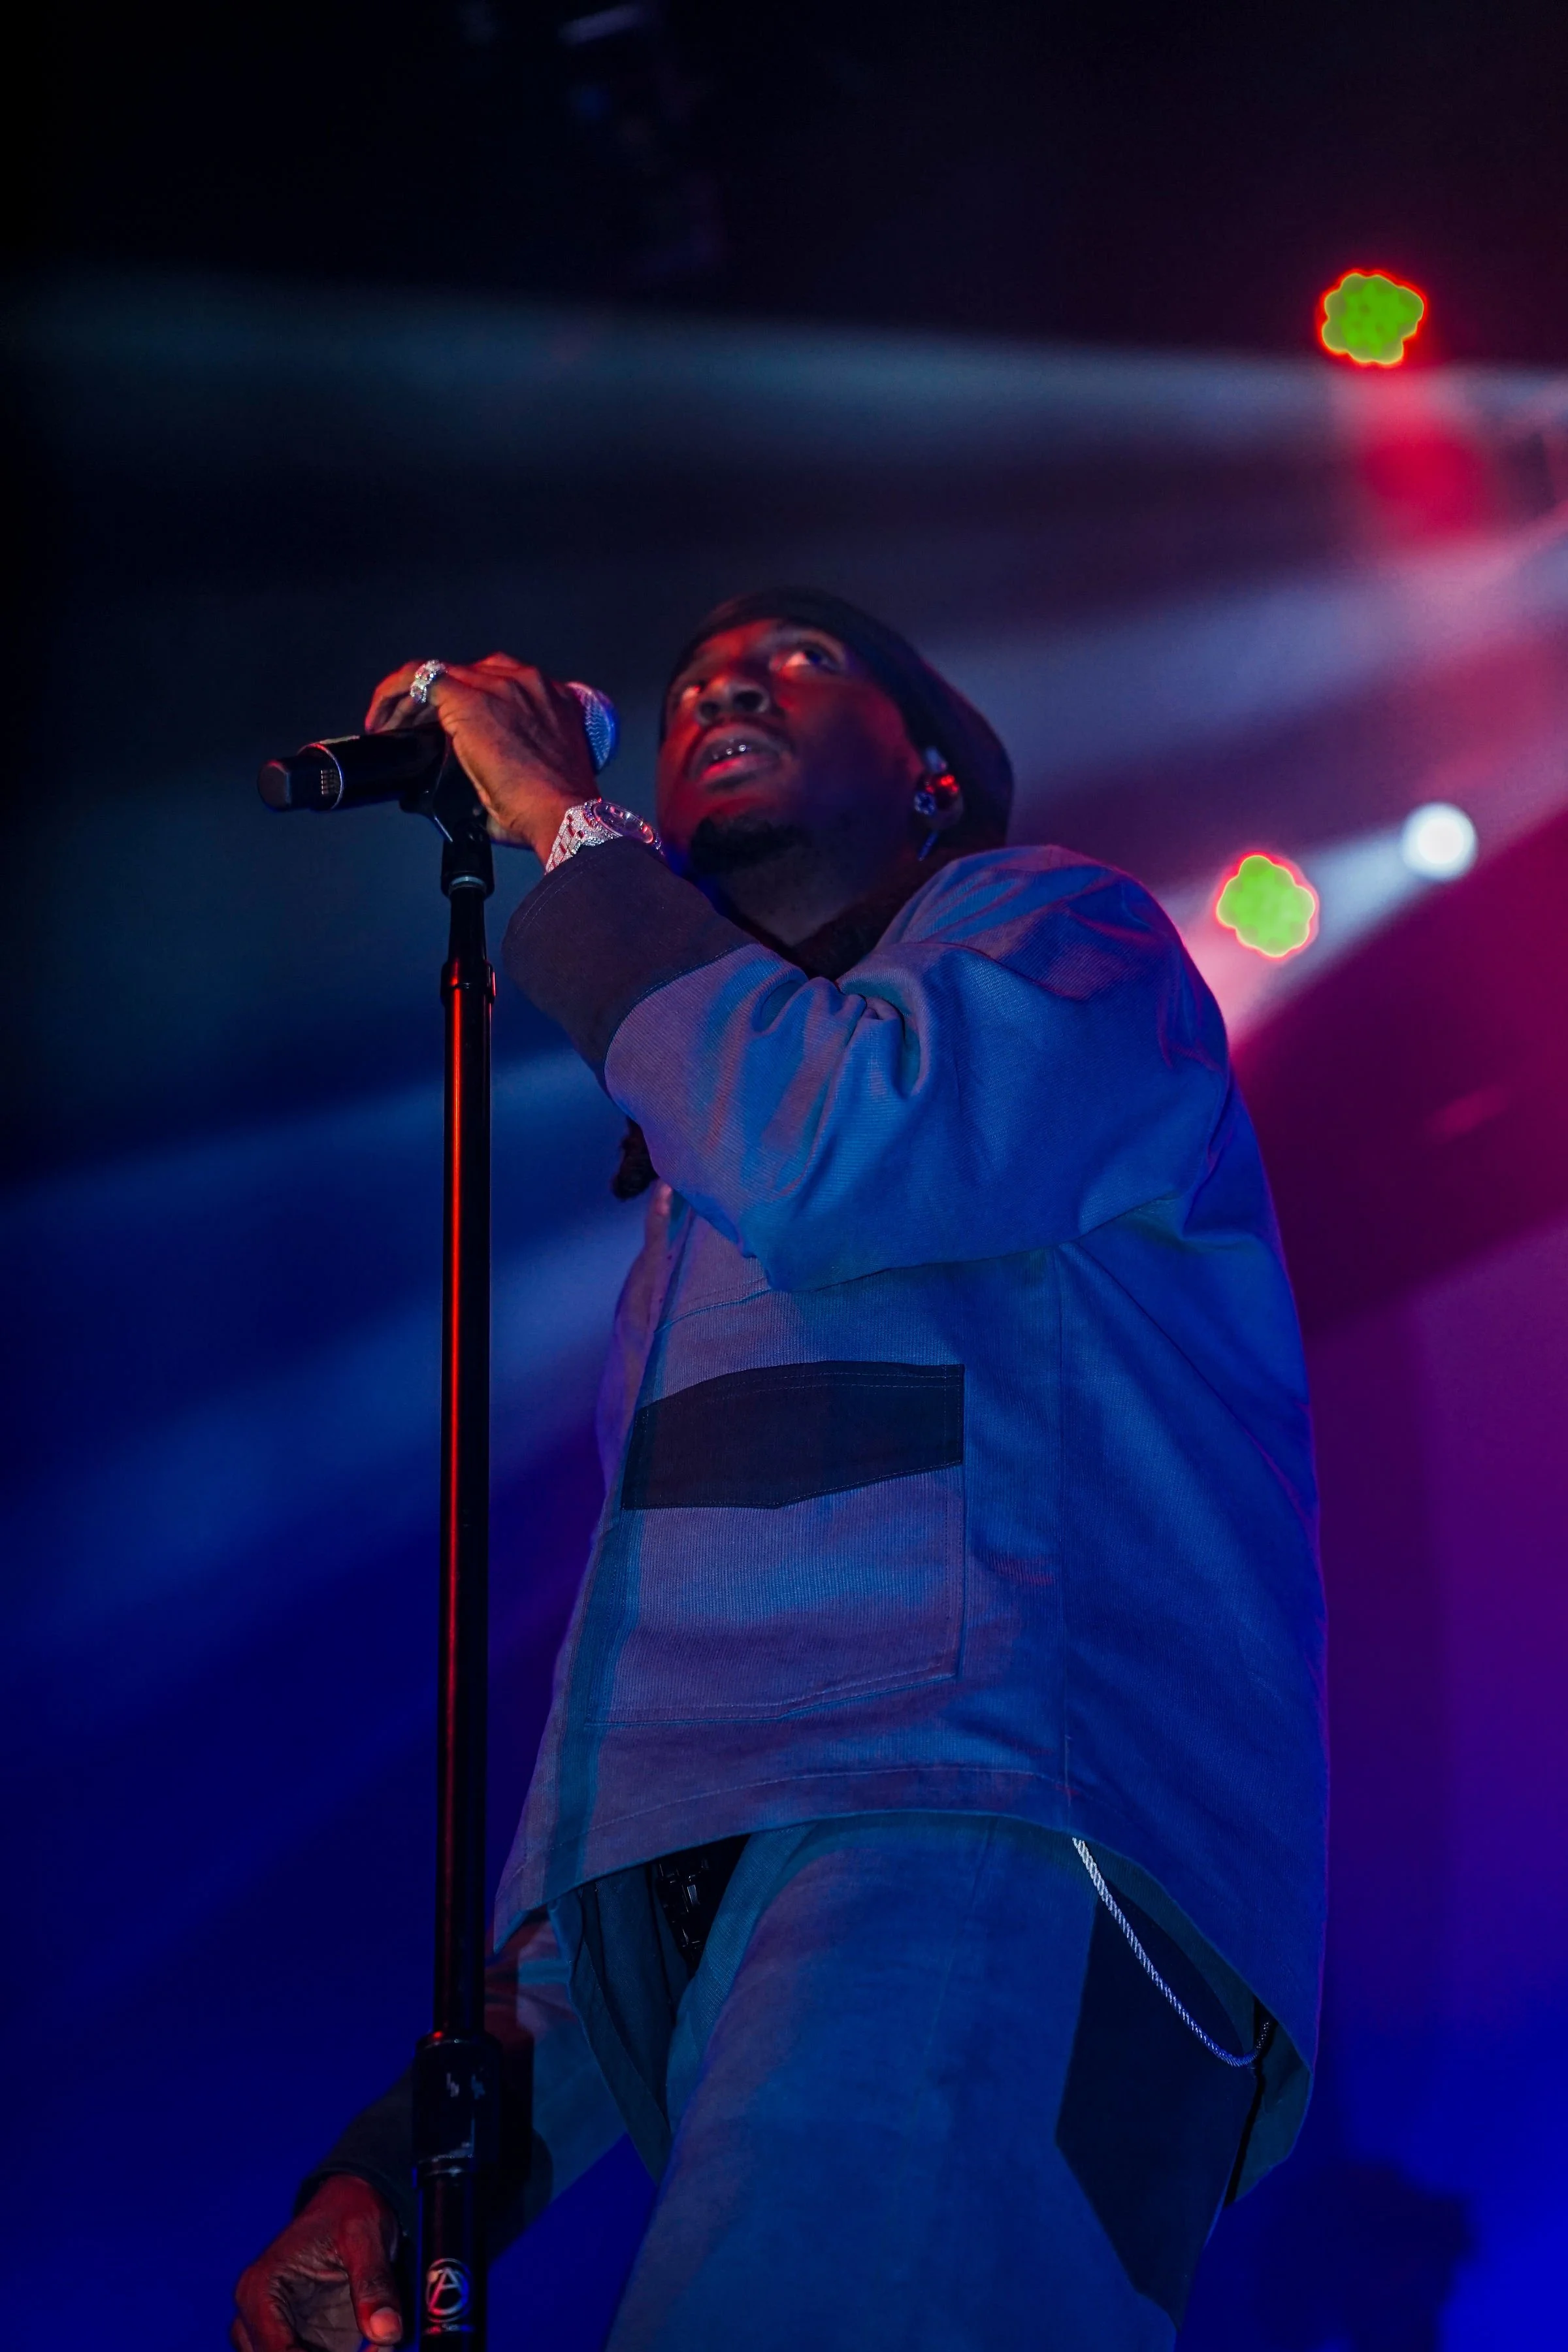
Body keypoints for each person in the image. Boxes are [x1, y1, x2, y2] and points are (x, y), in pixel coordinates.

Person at [231, 589, 1326, 2352]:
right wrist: (424, 2168)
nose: (726, 680)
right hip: (834, 1894)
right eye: (690, 683)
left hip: (1000, 1841)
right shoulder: (701, 1198)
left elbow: (840, 1147)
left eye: (805, 661)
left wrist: (566, 829)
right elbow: (670, 1744)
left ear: (936, 786)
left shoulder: (1059, 942)